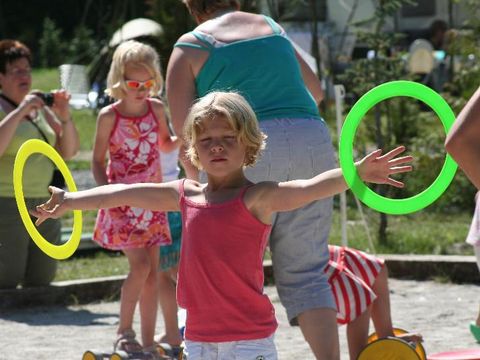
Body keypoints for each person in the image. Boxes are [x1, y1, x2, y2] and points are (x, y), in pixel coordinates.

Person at [31, 91, 413, 359]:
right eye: (207, 139)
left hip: (249, 339)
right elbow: (123, 193)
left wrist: (357, 172)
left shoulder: (257, 198)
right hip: (197, 339)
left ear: (248, 146)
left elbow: (311, 187)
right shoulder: (185, 195)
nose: (216, 146)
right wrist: (70, 201)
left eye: (227, 138)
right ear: (194, 148)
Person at [166, 1, 340, 357]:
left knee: (228, 270)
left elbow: (187, 134)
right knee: (307, 272)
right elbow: (317, 93)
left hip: (245, 143)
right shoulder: (273, 29)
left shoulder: (190, 46)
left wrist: (196, 192)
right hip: (310, 139)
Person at [90, 40, 179, 357]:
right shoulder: (108, 117)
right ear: (119, 80)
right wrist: (107, 196)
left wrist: (188, 133)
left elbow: (167, 145)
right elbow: (98, 161)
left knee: (154, 273)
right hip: (122, 201)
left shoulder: (156, 108)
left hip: (152, 200)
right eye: (133, 83)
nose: (141, 89)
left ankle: (146, 341)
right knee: (140, 268)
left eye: (147, 83)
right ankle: (123, 331)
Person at [0, 39, 80, 289]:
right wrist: (20, 111)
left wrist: (64, 117)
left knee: (42, 276)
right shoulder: (10, 108)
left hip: (45, 200)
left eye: (27, 70)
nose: (24, 76)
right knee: (7, 277)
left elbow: (68, 152)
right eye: (16, 71)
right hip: (7, 200)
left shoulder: (40, 108)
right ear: (1, 76)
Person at [326, 245, 422, 359]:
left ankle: (386, 336)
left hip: (320, 252)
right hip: (307, 262)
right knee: (361, 299)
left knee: (377, 269)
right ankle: (359, 357)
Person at [155, 147, 184, 350]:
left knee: (162, 275)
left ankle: (172, 332)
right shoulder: (172, 133)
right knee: (182, 271)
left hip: (154, 201)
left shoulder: (142, 129)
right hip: (177, 199)